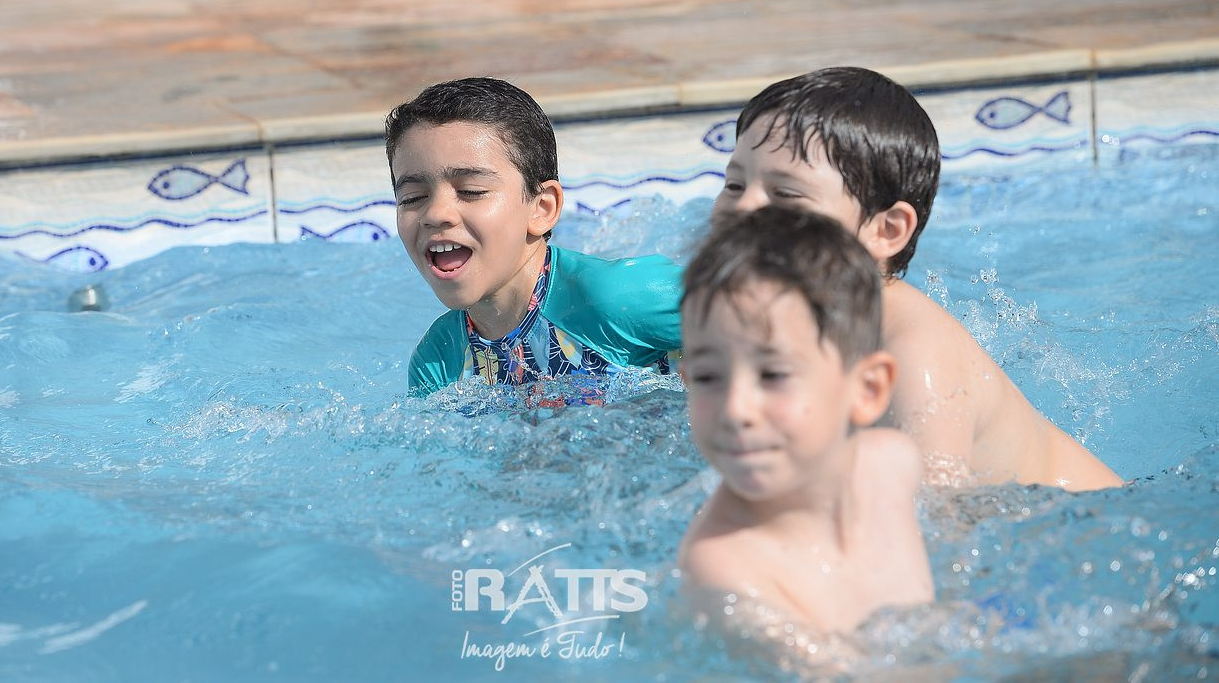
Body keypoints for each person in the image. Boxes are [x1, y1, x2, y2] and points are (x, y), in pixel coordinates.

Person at [715, 66, 1123, 490]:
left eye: (785, 194)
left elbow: (940, 516)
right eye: (734, 185)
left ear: (885, 230)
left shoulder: (912, 354)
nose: (742, 208)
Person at [679, 205, 934, 634]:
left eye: (773, 375)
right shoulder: (725, 568)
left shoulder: (893, 466)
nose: (736, 409)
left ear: (867, 390)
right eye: (707, 377)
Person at [385, 77, 682, 404]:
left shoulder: (616, 298)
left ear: (542, 208)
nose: (435, 213)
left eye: (471, 191)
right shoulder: (439, 361)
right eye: (413, 198)